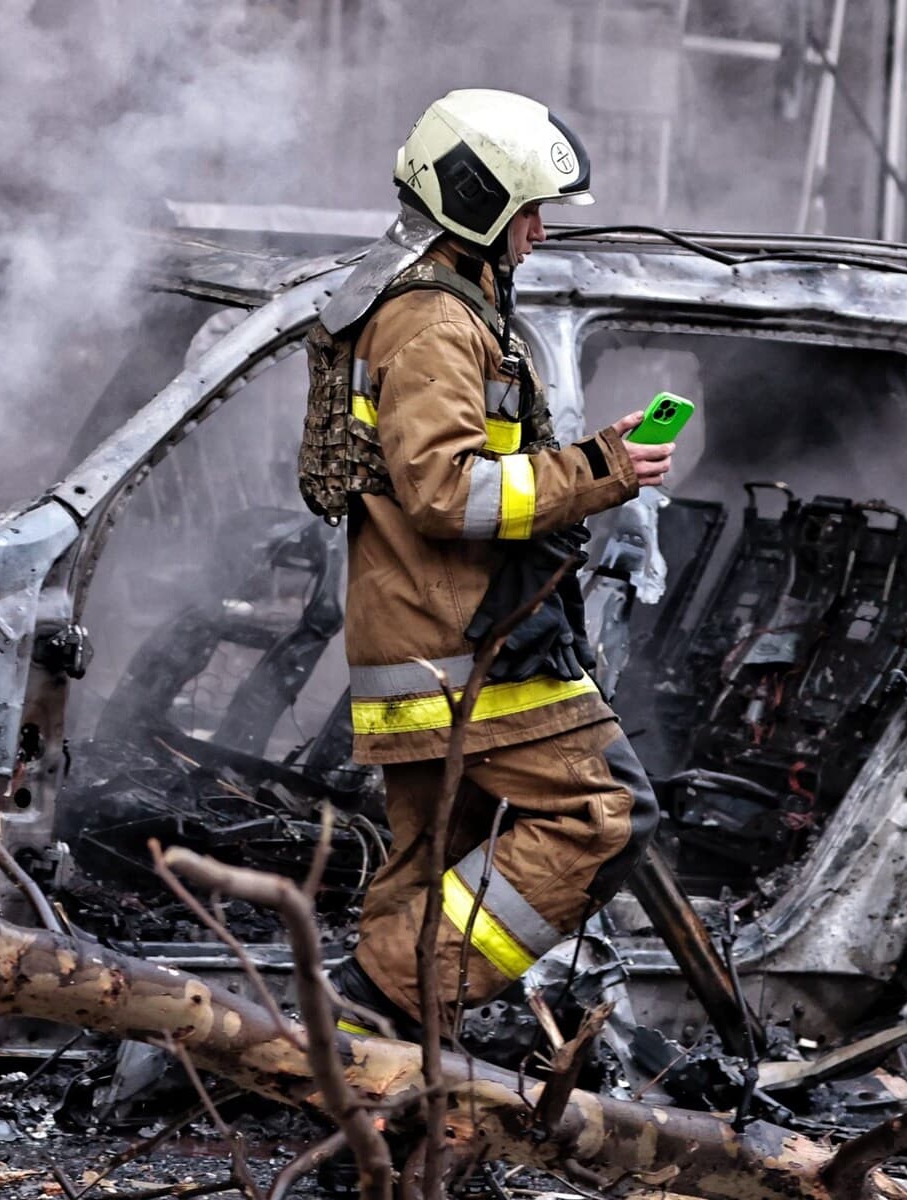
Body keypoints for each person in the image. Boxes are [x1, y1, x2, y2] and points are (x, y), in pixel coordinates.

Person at [309, 89, 671, 1036]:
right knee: (606, 815)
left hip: (432, 639)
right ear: (476, 201)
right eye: (530, 210)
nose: (541, 232)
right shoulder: (434, 318)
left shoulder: (431, 301)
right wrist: (599, 470)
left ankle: (363, 1082)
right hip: (466, 646)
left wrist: (595, 459)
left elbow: (471, 467)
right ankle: (375, 1000)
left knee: (426, 866)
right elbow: (442, 491)